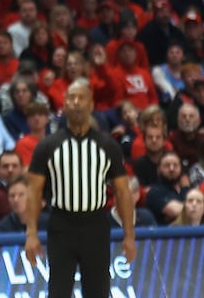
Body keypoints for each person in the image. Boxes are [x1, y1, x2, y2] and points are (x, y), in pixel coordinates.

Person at [25, 81, 136, 298]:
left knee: (98, 292)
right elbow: (33, 192)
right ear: (64, 105)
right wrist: (31, 234)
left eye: (81, 97)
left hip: (95, 225)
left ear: (91, 104)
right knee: (58, 292)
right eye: (71, 98)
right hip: (61, 225)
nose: (76, 102)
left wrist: (129, 235)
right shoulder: (47, 146)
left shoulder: (108, 146)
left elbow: (123, 192)